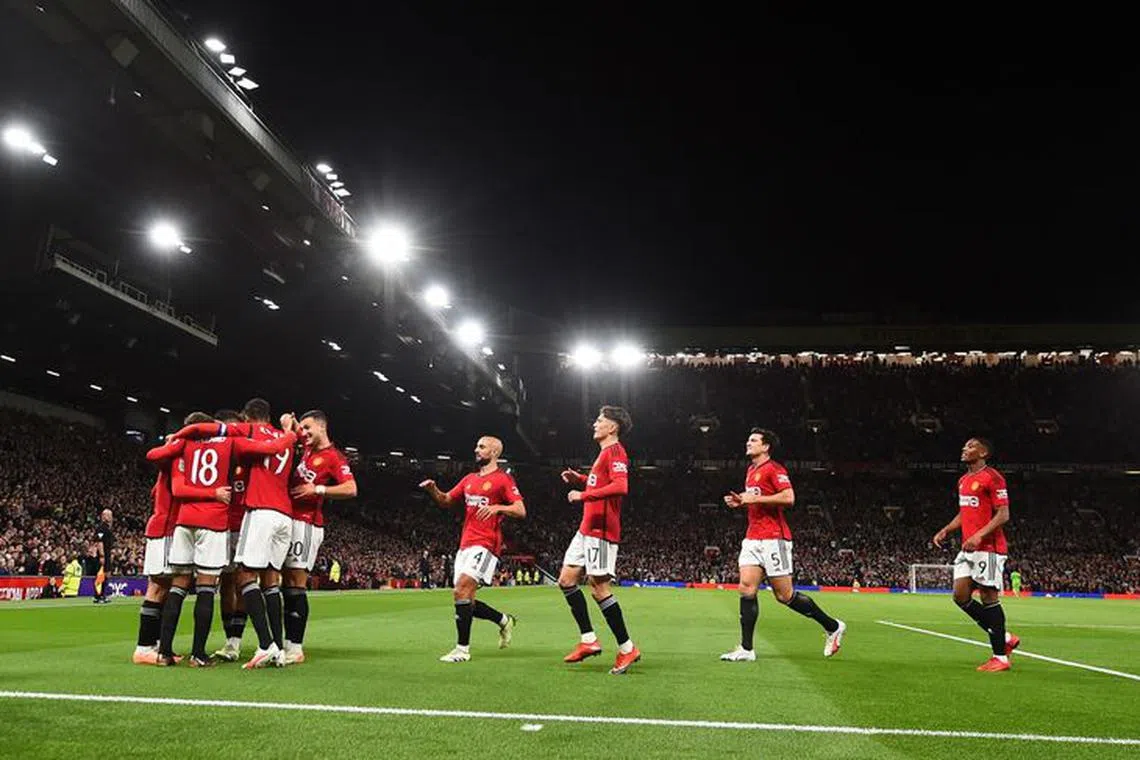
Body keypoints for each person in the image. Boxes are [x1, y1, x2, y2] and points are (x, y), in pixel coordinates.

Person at [721, 428, 846, 662]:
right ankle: (747, 649)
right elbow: (755, 499)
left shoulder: (775, 469)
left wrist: (754, 499)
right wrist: (741, 501)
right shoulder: (751, 470)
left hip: (773, 538)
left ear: (766, 446)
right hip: (752, 537)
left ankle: (832, 626)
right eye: (748, 439)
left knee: (784, 595)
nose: (748, 443)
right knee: (746, 589)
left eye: (754, 440)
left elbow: (789, 498)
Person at [419, 436, 524, 662]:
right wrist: (433, 490)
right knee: (466, 599)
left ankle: (462, 649)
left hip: (487, 544)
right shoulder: (469, 479)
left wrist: (497, 508)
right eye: (476, 445)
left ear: (495, 452)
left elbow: (520, 509)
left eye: (482, 447)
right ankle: (504, 620)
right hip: (465, 544)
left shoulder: (503, 480)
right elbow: (446, 500)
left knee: (461, 590)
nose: (476, 450)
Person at [558, 406, 641, 675]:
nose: (595, 424)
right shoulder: (604, 453)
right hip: (587, 528)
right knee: (567, 581)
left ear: (612, 427)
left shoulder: (616, 452)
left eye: (600, 420)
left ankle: (628, 649)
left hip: (602, 530)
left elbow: (621, 486)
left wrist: (582, 495)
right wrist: (581, 480)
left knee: (599, 588)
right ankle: (588, 641)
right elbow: (599, 483)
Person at [933, 437, 1020, 672]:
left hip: (988, 549)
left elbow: (1003, 514)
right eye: (964, 446)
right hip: (968, 548)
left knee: (989, 596)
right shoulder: (963, 480)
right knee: (960, 596)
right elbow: (965, 512)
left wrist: (980, 535)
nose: (964, 449)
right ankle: (1006, 637)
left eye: (971, 446)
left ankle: (1000, 657)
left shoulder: (993, 477)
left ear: (983, 452)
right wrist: (947, 529)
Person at [283, 409, 357, 664]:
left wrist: (318, 489)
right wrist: (293, 424)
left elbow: (351, 488)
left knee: (295, 583)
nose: (303, 433)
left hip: (307, 523)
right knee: (286, 585)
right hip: (290, 520)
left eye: (307, 428)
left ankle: (295, 648)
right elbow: (295, 433)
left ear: (322, 428)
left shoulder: (334, 457)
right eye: (301, 429)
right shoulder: (307, 448)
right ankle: (287, 643)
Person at [93, 509, 115, 604]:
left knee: (107, 575)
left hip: (107, 554)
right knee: (101, 575)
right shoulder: (101, 528)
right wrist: (102, 555)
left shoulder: (108, 528)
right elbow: (99, 542)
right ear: (103, 516)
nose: (110, 517)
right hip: (103, 555)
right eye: (108, 515)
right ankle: (99, 595)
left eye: (111, 515)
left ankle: (102, 594)